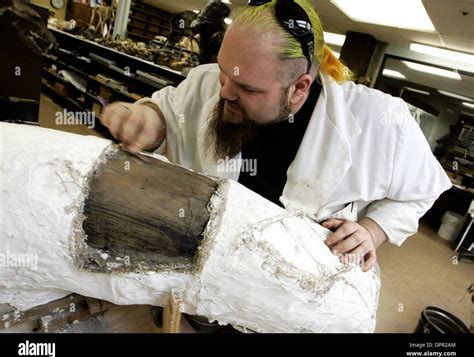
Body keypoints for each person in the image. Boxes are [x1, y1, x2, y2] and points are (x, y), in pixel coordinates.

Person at [102, 0, 451, 272]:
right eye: (225, 74)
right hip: (201, 264)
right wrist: (147, 119)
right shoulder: (210, 82)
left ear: (299, 88)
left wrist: (374, 230)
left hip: (288, 289)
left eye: (246, 87)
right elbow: (169, 112)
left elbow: (423, 191)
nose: (224, 92)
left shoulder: (382, 123)